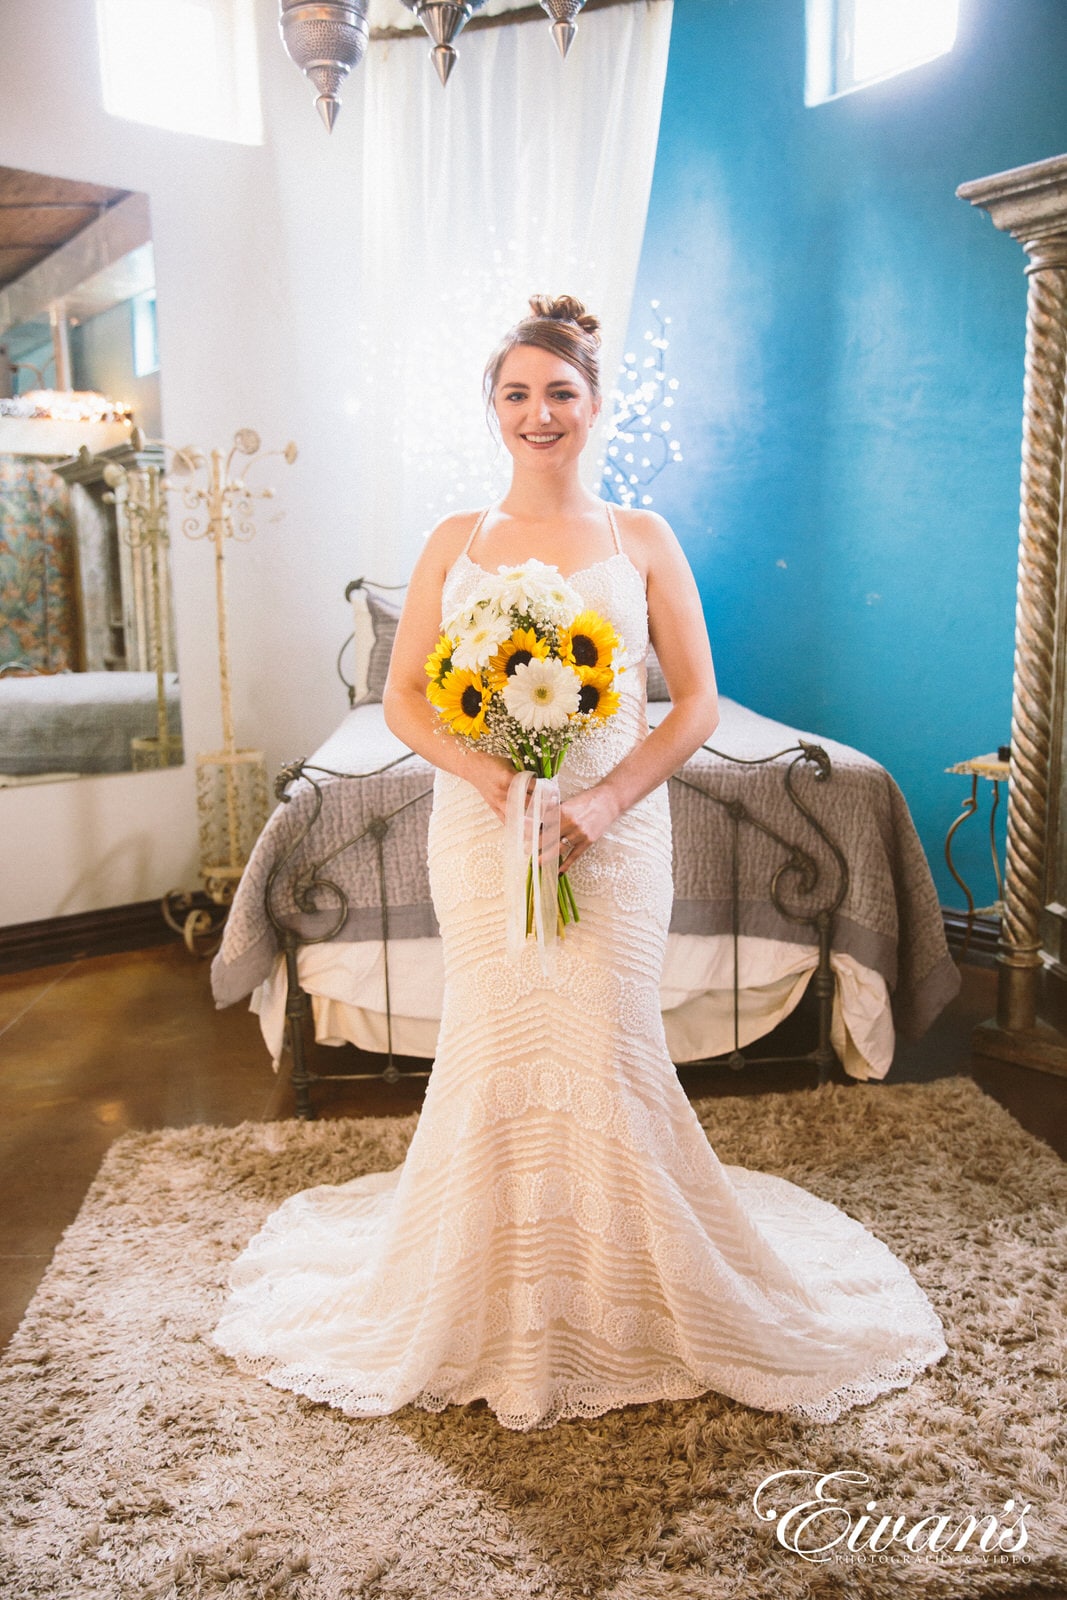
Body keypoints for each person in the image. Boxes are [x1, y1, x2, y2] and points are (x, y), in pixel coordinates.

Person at [211, 295, 946, 1431]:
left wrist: (600, 799)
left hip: (616, 833)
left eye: (558, 392)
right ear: (492, 409)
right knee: (495, 1039)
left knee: (604, 1039)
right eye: (516, 393)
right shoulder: (453, 541)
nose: (537, 412)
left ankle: (625, 1288)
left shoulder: (640, 538)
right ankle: (480, 1284)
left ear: (594, 405)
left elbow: (695, 702)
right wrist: (489, 774)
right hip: (480, 828)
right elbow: (402, 697)